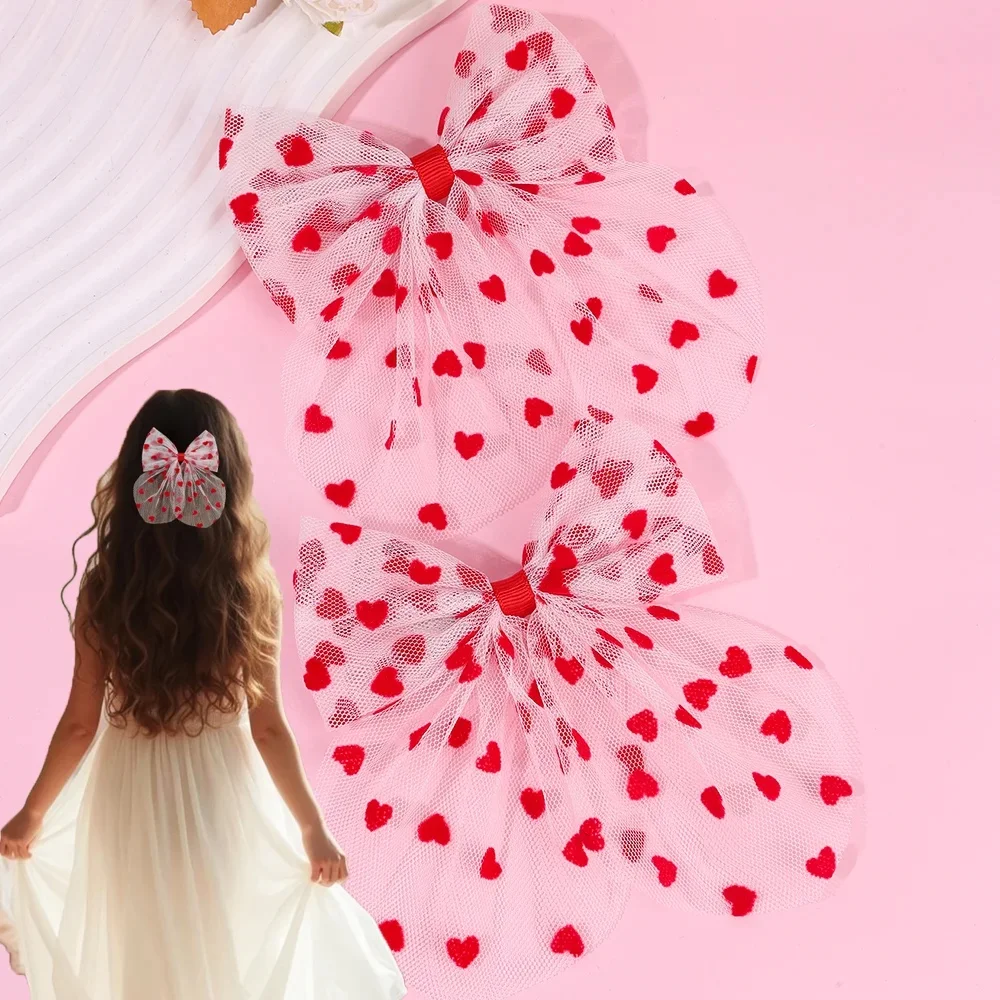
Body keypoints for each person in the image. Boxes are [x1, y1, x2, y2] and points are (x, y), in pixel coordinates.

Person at [0, 388, 405, 1000]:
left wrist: (33, 814)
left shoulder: (106, 587)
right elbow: (268, 728)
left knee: (140, 948)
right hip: (222, 791)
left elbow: (80, 724)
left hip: (128, 791)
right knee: (220, 946)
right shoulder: (249, 586)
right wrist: (312, 829)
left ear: (137, 471)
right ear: (230, 475)